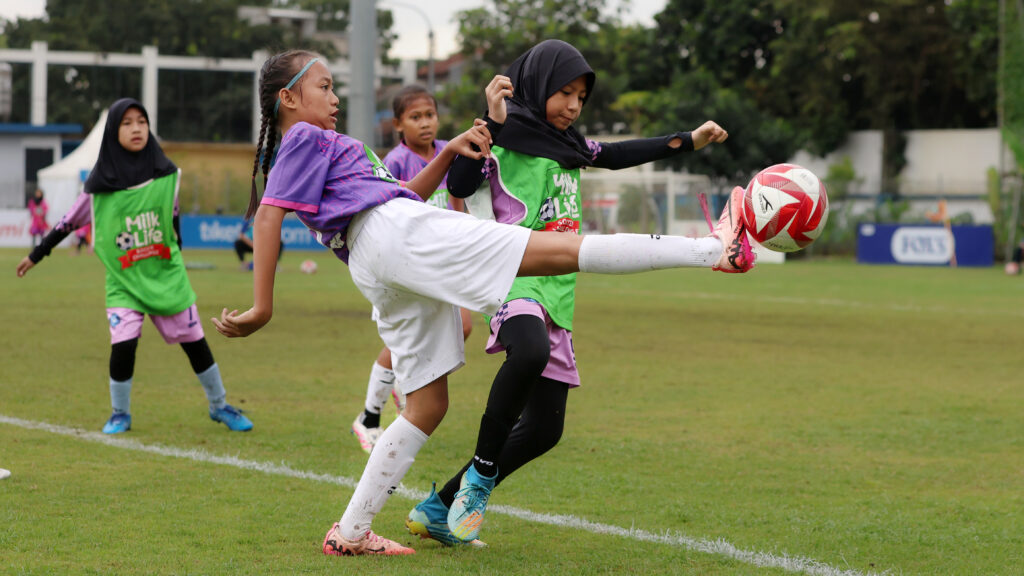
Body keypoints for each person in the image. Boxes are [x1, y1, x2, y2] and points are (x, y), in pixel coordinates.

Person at [212, 50, 752, 557]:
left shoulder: (309, 145)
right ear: (287, 98)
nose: (334, 98)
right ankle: (711, 248)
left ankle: (352, 531)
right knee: (557, 251)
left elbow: (403, 194)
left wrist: (447, 151)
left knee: (427, 406)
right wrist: (263, 307)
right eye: (324, 86)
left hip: (374, 260)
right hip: (392, 236)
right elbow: (268, 215)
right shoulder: (305, 134)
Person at [406, 39, 733, 546]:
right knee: (529, 350)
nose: (574, 105)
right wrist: (490, 122)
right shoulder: (504, 130)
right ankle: (480, 477)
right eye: (565, 93)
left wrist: (688, 140)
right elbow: (463, 181)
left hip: (559, 286)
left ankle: (437, 509)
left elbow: (620, 154)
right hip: (511, 271)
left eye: (582, 96)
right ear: (538, 86)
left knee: (544, 430)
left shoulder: (571, 144)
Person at [16, 98, 253, 435]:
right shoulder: (98, 190)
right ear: (114, 131)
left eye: (141, 121)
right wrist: (36, 255)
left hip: (165, 275)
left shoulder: (168, 176)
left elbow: (173, 219)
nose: (136, 128)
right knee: (124, 346)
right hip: (123, 280)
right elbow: (67, 224)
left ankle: (220, 406)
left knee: (195, 343)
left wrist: (178, 251)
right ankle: (119, 414)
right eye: (126, 123)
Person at [350, 85, 474, 454]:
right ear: (398, 124)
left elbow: (457, 201)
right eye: (415, 117)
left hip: (441, 260)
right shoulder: (397, 162)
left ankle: (404, 387)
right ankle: (369, 417)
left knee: (462, 326)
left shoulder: (448, 151)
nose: (425, 123)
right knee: (399, 341)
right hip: (406, 264)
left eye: (430, 115)